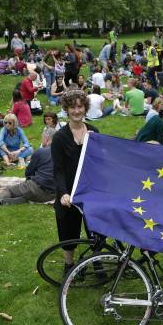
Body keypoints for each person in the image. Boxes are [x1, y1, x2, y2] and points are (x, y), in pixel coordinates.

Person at [51, 90, 100, 275]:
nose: (77, 111)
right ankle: (69, 265)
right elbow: (58, 169)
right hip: (68, 194)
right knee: (68, 231)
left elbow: (99, 163)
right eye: (72, 107)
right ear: (66, 109)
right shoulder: (60, 137)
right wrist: (63, 192)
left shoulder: (94, 132)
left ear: (85, 108)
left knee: (95, 230)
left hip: (91, 191)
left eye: (80, 106)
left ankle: (97, 261)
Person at [0, 128, 57, 210]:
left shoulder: (40, 152)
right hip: (54, 193)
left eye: (42, 137)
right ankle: (12, 200)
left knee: (10, 190)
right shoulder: (64, 153)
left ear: (46, 138)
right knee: (26, 193)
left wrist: (29, 181)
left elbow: (29, 172)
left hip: (38, 188)